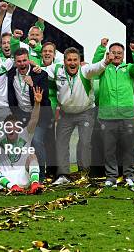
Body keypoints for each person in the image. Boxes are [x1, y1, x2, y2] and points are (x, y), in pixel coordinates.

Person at [43, 47, 110, 185]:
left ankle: (83, 174)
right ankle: (63, 175)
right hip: (65, 114)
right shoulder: (56, 69)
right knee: (61, 143)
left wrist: (105, 61)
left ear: (80, 61)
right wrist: (35, 68)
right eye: (69, 60)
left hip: (85, 112)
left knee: (85, 143)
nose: (72, 63)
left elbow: (97, 67)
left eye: (75, 60)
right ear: (64, 61)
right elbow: (42, 71)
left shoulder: (85, 71)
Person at [93, 40, 134, 188]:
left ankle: (129, 176)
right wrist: (101, 48)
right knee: (109, 149)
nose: (116, 55)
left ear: (123, 56)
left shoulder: (129, 69)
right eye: (113, 52)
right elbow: (95, 63)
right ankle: (111, 177)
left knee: (128, 148)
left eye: (119, 53)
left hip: (126, 115)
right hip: (106, 116)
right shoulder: (103, 69)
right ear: (109, 54)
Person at [0, 87, 45, 194]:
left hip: (24, 178)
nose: (10, 129)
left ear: (18, 128)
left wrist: (37, 103)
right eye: (7, 127)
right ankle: (13, 187)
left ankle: (35, 183)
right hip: (5, 181)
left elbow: (34, 119)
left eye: (13, 126)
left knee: (32, 156)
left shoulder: (25, 134)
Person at [7, 48, 51, 180]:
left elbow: (43, 98)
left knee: (36, 141)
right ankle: (23, 173)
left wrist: (32, 85)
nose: (22, 64)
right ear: (15, 63)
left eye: (25, 60)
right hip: (21, 116)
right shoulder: (10, 75)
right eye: (19, 61)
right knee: (22, 143)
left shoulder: (40, 75)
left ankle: (41, 176)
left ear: (29, 61)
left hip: (40, 115)